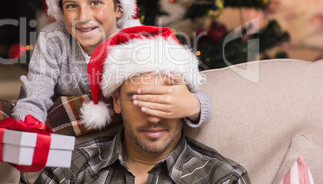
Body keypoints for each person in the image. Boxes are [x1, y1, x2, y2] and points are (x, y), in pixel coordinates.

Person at [12, 0, 212, 133]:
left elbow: (201, 100)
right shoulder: (53, 38)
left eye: (95, 3)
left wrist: (193, 107)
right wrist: (27, 129)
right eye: (72, 6)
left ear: (118, 8)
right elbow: (34, 97)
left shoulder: (139, 43)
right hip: (71, 132)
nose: (83, 17)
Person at [37, 26, 250, 184]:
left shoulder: (224, 178)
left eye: (164, 102)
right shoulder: (67, 169)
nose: (154, 117)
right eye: (140, 101)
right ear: (117, 102)